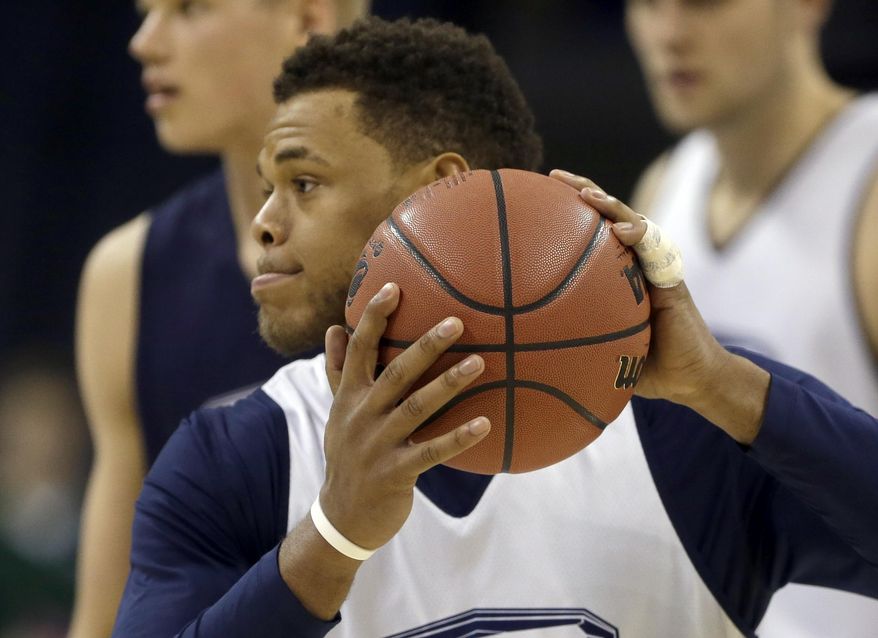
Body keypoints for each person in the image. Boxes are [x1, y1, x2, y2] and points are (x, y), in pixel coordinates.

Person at [112, 17, 878, 637]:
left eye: (304, 183)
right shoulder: (233, 459)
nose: (265, 226)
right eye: (266, 188)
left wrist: (721, 384)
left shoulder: (688, 429)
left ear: (441, 194)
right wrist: (334, 538)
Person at [70, 1, 370, 635]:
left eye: (187, 8)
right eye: (145, 12)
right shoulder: (127, 274)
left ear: (308, 17)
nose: (145, 43)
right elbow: (105, 615)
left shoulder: (457, 258)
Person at [625, 0, 878, 635]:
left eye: (704, 3)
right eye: (649, 4)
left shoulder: (868, 183)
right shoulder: (664, 187)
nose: (670, 33)